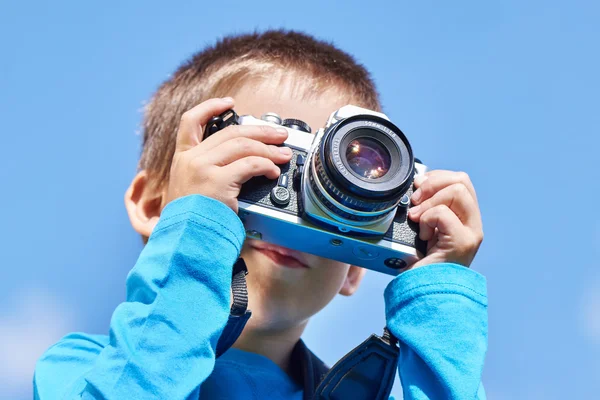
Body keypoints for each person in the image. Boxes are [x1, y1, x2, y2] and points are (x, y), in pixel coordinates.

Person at [34, 30, 487, 399]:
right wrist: (201, 225)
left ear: (356, 266)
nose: (301, 204)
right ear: (157, 206)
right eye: (263, 166)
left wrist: (439, 299)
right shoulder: (77, 369)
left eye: (339, 189)